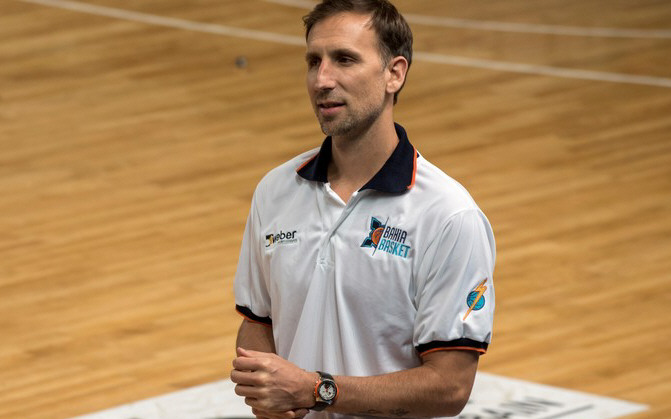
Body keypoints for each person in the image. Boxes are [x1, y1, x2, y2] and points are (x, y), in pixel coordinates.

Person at [230, 1, 495, 418]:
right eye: (313, 61)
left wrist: (317, 390)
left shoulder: (448, 216)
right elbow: (257, 322)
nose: (322, 80)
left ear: (395, 74)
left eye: (344, 60)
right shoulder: (275, 191)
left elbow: (450, 387)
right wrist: (264, 386)